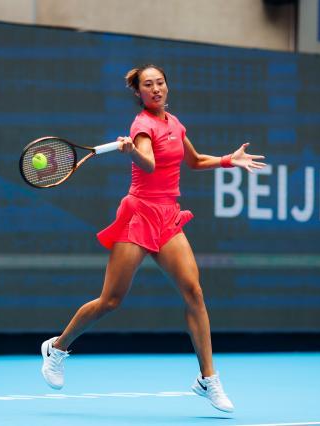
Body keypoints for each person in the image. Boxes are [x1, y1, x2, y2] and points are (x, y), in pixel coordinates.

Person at [40, 64, 266, 413]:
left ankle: (208, 379)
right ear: (139, 92)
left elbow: (194, 161)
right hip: (139, 214)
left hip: (167, 216)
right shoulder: (142, 125)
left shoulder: (174, 123)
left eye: (160, 83)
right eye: (148, 85)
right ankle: (57, 348)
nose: (156, 89)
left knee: (194, 292)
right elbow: (148, 163)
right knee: (110, 301)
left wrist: (227, 160)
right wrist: (132, 150)